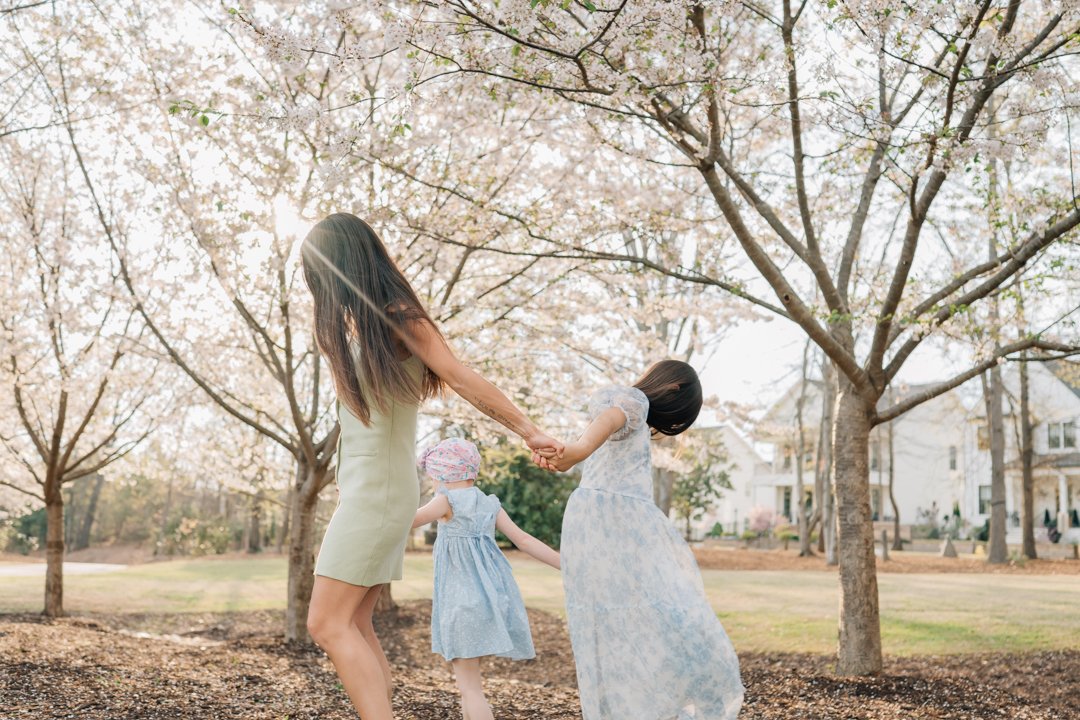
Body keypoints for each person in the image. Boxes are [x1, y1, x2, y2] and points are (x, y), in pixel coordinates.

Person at [300, 212, 563, 719]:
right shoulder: (368, 330)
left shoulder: (399, 317)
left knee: (326, 625)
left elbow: (460, 376)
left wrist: (528, 429)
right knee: (353, 623)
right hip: (371, 494)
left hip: (379, 498)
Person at [534, 360, 743, 720]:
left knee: (625, 622)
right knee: (669, 610)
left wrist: (579, 452)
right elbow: (612, 417)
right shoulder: (634, 401)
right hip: (617, 523)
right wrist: (578, 451)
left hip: (606, 527)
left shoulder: (636, 419)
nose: (670, 424)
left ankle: (637, 701)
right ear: (672, 390)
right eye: (677, 416)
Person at [412, 437, 561, 720]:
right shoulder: (488, 503)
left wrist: (362, 504)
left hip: (460, 605)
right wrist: (566, 565)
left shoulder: (445, 500)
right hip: (488, 601)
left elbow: (407, 520)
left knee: (470, 689)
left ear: (442, 474)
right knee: (470, 687)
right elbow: (524, 541)